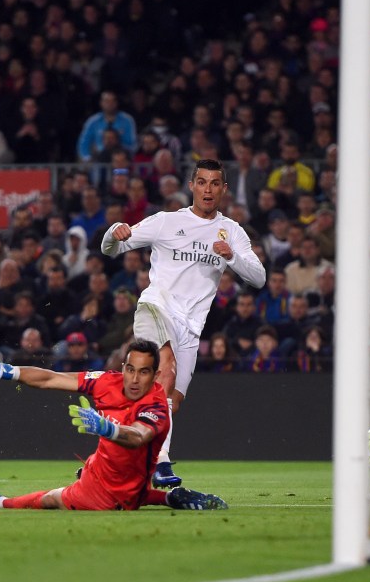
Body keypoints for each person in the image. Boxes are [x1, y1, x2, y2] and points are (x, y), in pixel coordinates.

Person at [100, 159, 267, 488]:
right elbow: (111, 249)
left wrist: (231, 256)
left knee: (169, 401)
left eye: (214, 183)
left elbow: (259, 278)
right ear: (191, 186)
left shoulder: (232, 231)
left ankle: (112, 457)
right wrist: (112, 231)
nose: (208, 189)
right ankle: (161, 463)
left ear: (223, 189)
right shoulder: (166, 222)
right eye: (202, 182)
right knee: (166, 367)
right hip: (156, 307)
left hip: (191, 327)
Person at [0, 340, 227, 511]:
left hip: (107, 497)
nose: (133, 379)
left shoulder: (157, 406)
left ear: (155, 375)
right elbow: (51, 378)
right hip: (118, 475)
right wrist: (7, 371)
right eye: (130, 369)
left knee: (52, 499)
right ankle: (170, 498)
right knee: (116, 478)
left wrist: (109, 429)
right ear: (123, 366)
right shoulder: (107, 381)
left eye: (144, 372)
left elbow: (138, 436)